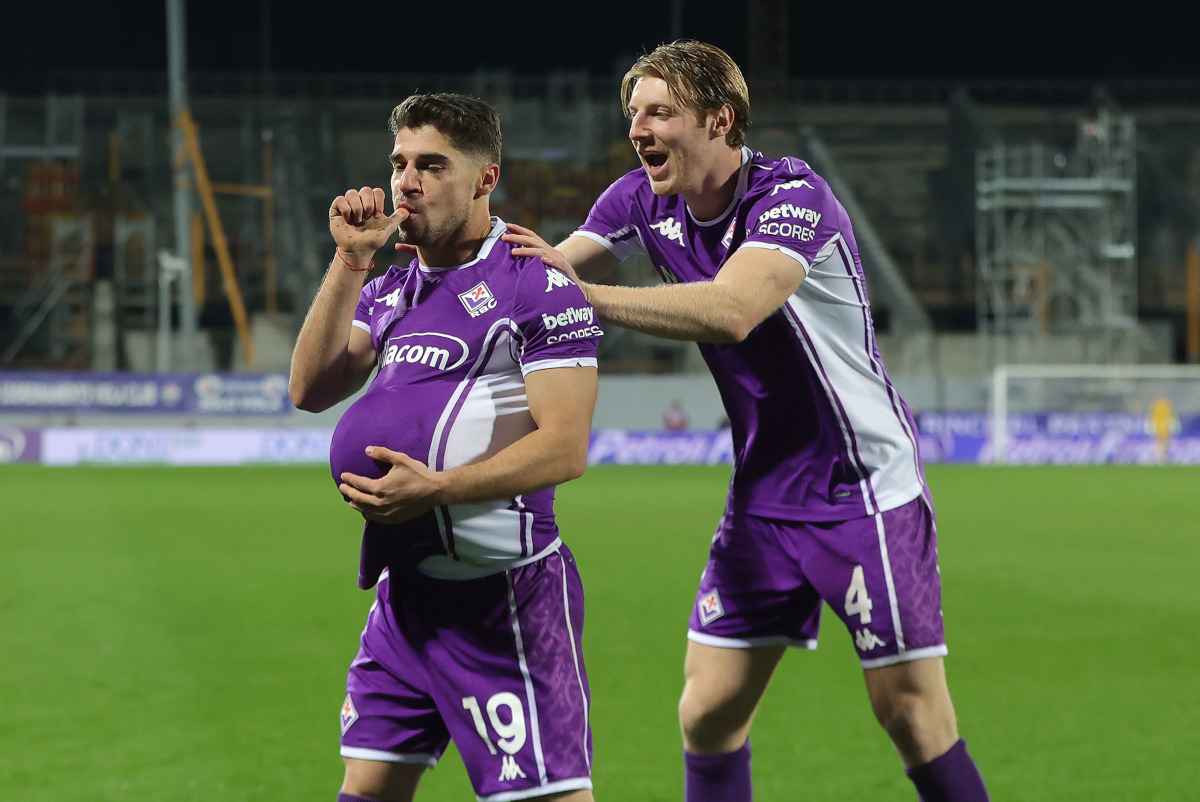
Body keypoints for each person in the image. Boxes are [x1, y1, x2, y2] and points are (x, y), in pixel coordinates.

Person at [503, 41, 990, 802]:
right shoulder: (637, 199)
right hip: (763, 495)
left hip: (861, 486)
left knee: (911, 714)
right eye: (634, 113)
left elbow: (731, 311)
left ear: (719, 119)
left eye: (660, 111)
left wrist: (580, 296)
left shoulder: (793, 196)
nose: (639, 128)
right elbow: (545, 275)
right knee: (707, 711)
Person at [289, 93, 602, 802]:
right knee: (366, 788)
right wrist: (349, 261)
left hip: (507, 603)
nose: (406, 182)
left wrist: (436, 489)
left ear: (485, 179)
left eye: (432, 166)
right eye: (400, 163)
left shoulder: (536, 284)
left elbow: (565, 448)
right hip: (409, 602)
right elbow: (310, 387)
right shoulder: (392, 288)